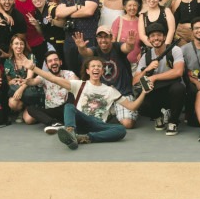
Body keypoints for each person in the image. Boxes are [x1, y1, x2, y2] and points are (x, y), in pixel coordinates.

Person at [23, 56, 154, 149]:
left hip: (97, 124)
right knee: (69, 106)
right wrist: (33, 68)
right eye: (93, 66)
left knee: (121, 130)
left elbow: (132, 106)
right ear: (87, 71)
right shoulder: (79, 85)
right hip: (80, 121)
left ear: (102, 71)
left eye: (99, 67)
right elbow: (53, 78)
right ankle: (70, 131)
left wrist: (144, 93)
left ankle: (85, 138)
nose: (96, 68)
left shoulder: (110, 90)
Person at [74, 25, 139, 128]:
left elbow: (126, 48)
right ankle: (112, 112)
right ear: (97, 39)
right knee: (89, 121)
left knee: (127, 124)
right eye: (100, 37)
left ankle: (121, 112)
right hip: (103, 94)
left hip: (122, 93)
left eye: (106, 37)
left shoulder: (117, 47)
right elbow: (86, 53)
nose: (103, 40)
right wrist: (81, 47)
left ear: (111, 38)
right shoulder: (95, 51)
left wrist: (130, 45)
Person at [133, 22, 186, 136]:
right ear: (149, 39)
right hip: (156, 91)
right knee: (141, 98)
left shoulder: (175, 50)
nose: (156, 38)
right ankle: (157, 116)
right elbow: (135, 81)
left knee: (179, 88)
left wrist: (154, 77)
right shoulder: (146, 56)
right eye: (152, 36)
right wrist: (147, 69)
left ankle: (173, 122)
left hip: (171, 89)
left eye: (159, 35)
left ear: (165, 37)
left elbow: (178, 71)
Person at [13, 49, 78, 132]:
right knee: (30, 109)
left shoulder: (69, 74)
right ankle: (55, 124)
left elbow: (75, 85)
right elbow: (33, 81)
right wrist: (26, 81)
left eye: (56, 60)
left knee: (71, 94)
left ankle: (69, 123)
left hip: (67, 109)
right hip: (52, 111)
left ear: (60, 62)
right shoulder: (44, 75)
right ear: (47, 65)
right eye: (50, 61)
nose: (53, 62)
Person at [55, 0, 100, 75]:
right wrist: (77, 7)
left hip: (87, 40)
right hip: (69, 42)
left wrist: (68, 14)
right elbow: (59, 14)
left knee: (88, 73)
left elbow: (89, 11)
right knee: (72, 74)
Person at [4, 33, 37, 118]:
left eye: (21, 44)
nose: (19, 46)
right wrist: (11, 81)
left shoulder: (30, 57)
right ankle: (21, 110)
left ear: (25, 45)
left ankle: (30, 108)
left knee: (29, 120)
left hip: (30, 89)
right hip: (17, 89)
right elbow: (8, 81)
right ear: (11, 45)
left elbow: (29, 78)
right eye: (16, 43)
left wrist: (21, 89)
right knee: (12, 103)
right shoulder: (8, 61)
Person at [111, 0, 142, 67]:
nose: (132, 8)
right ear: (125, 7)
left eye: (135, 5)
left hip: (137, 62)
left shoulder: (141, 20)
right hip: (121, 61)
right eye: (129, 5)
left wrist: (142, 54)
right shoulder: (119, 20)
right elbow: (113, 40)